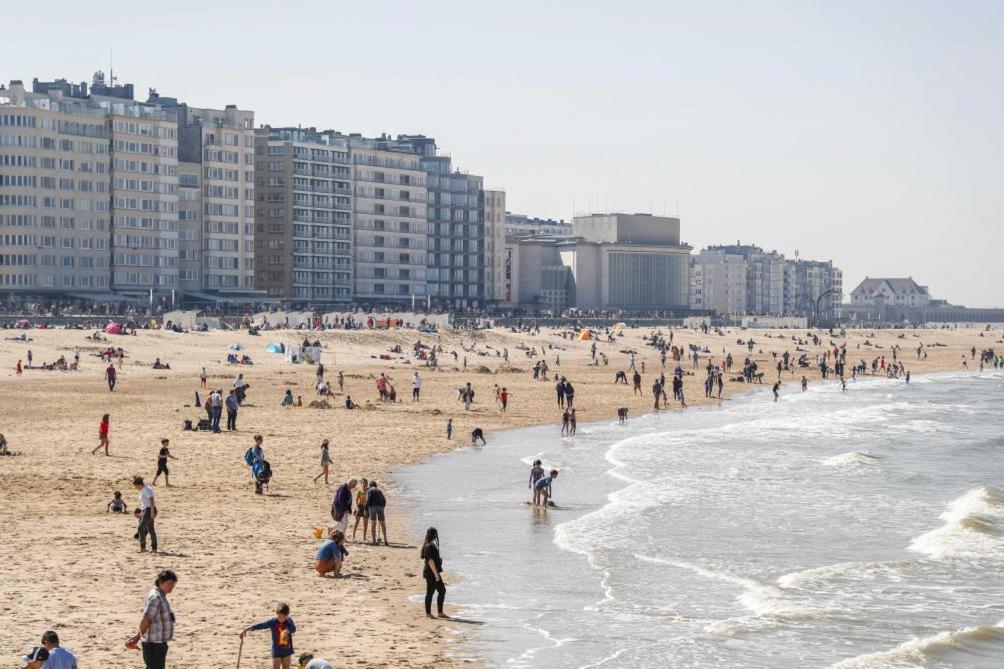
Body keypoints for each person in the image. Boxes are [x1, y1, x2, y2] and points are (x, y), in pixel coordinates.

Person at [128, 569, 176, 669]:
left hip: (158, 644)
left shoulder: (161, 596)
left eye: (173, 583)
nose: (172, 586)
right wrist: (137, 637)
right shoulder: (155, 598)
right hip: (154, 645)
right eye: (169, 583)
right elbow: (146, 620)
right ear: (160, 582)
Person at [241, 603, 297, 669]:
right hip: (276, 650)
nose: (281, 619)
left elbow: (294, 629)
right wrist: (248, 629)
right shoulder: (273, 621)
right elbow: (262, 625)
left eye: (284, 617)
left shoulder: (289, 621)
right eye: (279, 616)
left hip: (287, 650)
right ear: (277, 614)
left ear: (287, 615)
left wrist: (287, 631)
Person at [421, 527, 447, 619]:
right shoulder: (429, 546)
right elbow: (430, 561)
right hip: (431, 572)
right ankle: (431, 613)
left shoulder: (428, 544)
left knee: (436, 591)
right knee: (437, 591)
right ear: (434, 535)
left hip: (430, 571)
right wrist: (436, 574)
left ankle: (437, 613)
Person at [133, 476, 158, 553]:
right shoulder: (144, 489)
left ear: (139, 484)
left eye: (136, 486)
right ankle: (154, 548)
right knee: (151, 529)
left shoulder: (147, 489)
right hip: (145, 510)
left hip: (148, 510)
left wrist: (152, 512)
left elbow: (152, 499)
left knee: (141, 527)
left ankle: (143, 547)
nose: (136, 488)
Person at [366, 480, 388, 546]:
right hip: (380, 507)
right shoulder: (379, 491)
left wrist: (366, 509)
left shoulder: (369, 491)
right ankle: (385, 540)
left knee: (373, 524)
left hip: (373, 507)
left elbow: (368, 500)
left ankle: (374, 541)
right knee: (383, 524)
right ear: (376, 485)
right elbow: (384, 500)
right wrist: (382, 507)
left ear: (370, 486)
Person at [352, 477, 370, 542]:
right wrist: (358, 505)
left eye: (366, 483)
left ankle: (364, 538)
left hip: (366, 508)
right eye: (363, 483)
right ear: (361, 484)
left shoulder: (369, 490)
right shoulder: (359, 491)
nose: (365, 484)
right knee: (357, 522)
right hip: (360, 507)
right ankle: (353, 536)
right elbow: (356, 499)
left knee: (365, 523)